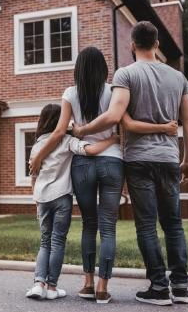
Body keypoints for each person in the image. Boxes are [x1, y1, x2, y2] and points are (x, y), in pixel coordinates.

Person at [29, 47, 178, 304]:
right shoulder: (114, 91)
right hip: (112, 161)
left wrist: (40, 156)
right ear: (103, 69)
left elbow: (58, 133)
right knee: (108, 227)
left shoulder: (70, 93)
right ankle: (102, 288)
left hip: (83, 164)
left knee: (89, 224)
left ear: (78, 69)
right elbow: (125, 124)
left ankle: (86, 284)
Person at [72, 21, 188, 306]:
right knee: (174, 224)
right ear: (157, 45)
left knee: (146, 226)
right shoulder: (179, 78)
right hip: (168, 159)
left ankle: (158, 287)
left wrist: (82, 130)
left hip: (139, 160)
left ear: (131, 45)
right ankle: (180, 286)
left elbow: (115, 116)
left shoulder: (126, 74)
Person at [26, 103, 119, 300]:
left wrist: (35, 199)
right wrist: (112, 139)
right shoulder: (67, 141)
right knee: (57, 241)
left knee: (45, 241)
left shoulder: (36, 146)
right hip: (62, 198)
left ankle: (38, 284)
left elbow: (33, 177)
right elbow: (92, 150)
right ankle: (51, 288)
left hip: (42, 198)